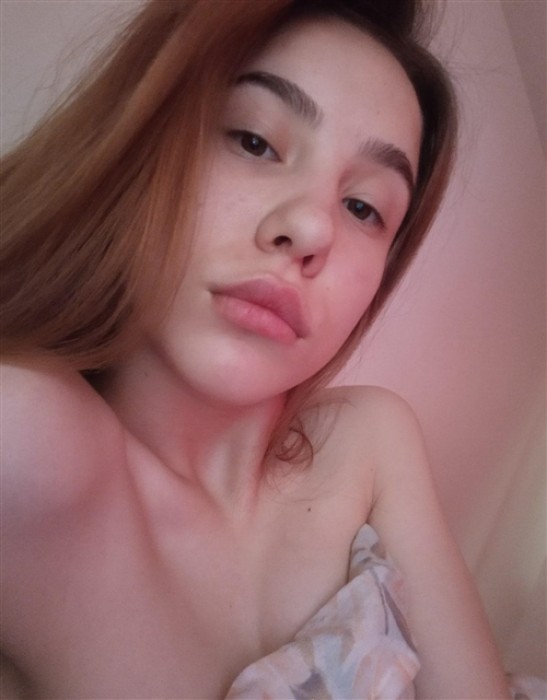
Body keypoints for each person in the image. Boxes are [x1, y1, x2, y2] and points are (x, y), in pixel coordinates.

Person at [0, 1, 513, 698]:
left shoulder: (368, 440)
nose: (310, 229)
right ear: (142, 138)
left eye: (363, 207)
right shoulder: (31, 442)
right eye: (253, 141)